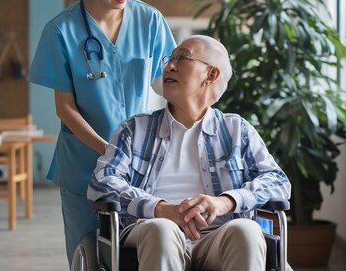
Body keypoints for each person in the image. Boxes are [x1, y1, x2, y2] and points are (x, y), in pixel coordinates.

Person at [27, 0, 176, 266]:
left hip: (141, 167)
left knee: (139, 255)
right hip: (84, 164)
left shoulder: (150, 21)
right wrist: (110, 149)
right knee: (88, 255)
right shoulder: (61, 31)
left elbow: (169, 86)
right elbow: (65, 108)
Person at [88, 36, 291, 271]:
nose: (168, 66)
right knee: (162, 228)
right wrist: (160, 208)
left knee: (246, 230)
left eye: (181, 58)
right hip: (151, 230)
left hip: (219, 237)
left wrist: (225, 202)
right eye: (169, 59)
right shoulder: (135, 129)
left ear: (211, 75)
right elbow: (102, 181)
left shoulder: (237, 130)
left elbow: (278, 181)